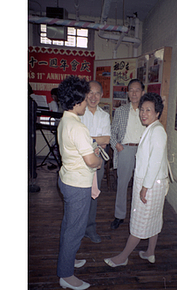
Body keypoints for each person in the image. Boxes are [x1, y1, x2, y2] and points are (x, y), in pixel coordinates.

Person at [104, 92, 169, 267]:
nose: (143, 113)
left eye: (148, 110)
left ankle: (123, 257)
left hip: (150, 183)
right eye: (142, 109)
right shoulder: (153, 128)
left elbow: (154, 162)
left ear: (157, 113)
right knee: (154, 218)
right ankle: (150, 252)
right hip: (154, 182)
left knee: (140, 221)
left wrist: (145, 187)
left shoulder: (157, 131)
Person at [56, 75, 103, 290]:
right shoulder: (78, 127)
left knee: (69, 224)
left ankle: (68, 257)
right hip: (77, 184)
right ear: (77, 101)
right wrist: (99, 159)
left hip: (67, 179)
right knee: (75, 229)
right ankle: (66, 274)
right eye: (85, 98)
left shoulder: (65, 119)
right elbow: (92, 161)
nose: (87, 102)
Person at [109, 79, 146, 230]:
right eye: (131, 90)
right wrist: (116, 145)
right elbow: (111, 132)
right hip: (125, 149)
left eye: (137, 90)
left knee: (142, 184)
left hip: (143, 151)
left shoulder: (147, 110)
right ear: (128, 93)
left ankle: (140, 216)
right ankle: (119, 215)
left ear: (143, 92)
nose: (134, 93)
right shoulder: (121, 111)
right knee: (122, 184)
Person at [80, 81, 111, 243]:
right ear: (85, 94)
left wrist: (87, 138)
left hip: (98, 158)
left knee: (93, 194)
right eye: (90, 93)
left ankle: (90, 228)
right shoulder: (79, 112)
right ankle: (78, 228)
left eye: (97, 93)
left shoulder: (104, 116)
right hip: (80, 159)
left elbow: (106, 140)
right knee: (79, 193)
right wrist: (95, 140)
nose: (93, 97)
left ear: (101, 95)